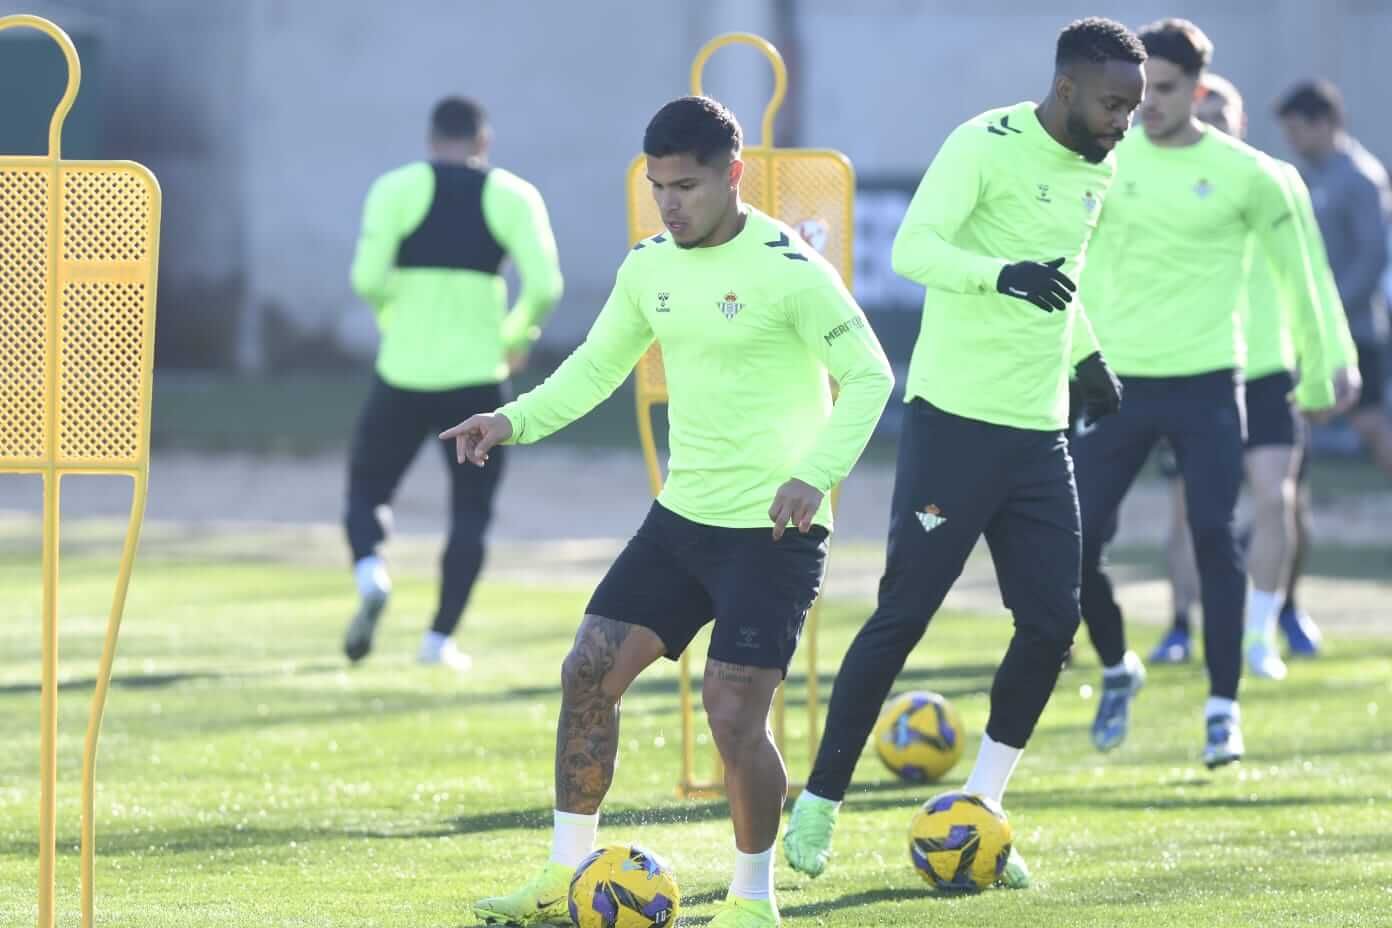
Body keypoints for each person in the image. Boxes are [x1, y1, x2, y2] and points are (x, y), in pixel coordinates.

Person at [448, 96, 893, 928]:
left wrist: (814, 475)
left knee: (731, 716)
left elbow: (871, 376)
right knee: (587, 671)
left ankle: (754, 902)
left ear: (732, 176)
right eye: (658, 187)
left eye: (685, 186)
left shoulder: (790, 269)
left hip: (774, 533)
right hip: (682, 522)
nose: (670, 203)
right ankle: (562, 872)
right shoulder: (648, 265)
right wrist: (509, 420)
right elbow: (593, 369)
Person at [781, 16, 1143, 883]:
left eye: (1131, 106)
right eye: (1111, 103)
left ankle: (983, 806)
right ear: (1065, 89)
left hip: (1039, 432)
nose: (1123, 120)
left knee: (1053, 623)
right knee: (903, 618)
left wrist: (1088, 359)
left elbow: (1064, 279)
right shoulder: (982, 143)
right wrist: (998, 272)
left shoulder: (1103, 164)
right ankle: (821, 802)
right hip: (954, 425)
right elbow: (910, 251)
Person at [1074, 20, 1345, 769]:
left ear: (1197, 90)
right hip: (1115, 385)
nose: (1145, 105)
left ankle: (1223, 710)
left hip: (1206, 386)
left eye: (1162, 90)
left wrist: (1328, 368)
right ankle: (1116, 664)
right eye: (1134, 93)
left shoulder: (1253, 175)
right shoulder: (1097, 162)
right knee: (1073, 544)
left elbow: (1304, 277)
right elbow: (1056, 255)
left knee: (1215, 539)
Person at [342, 97, 563, 670]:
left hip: (402, 376)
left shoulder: (394, 188)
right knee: (470, 512)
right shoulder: (514, 195)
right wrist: (515, 336)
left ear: (429, 138)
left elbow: (366, 277)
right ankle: (438, 641)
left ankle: (370, 570)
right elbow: (545, 285)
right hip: (475, 384)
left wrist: (394, 316)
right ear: (483, 142)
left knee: (367, 488)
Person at [1148, 73, 1359, 672]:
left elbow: (1312, 278)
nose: (1209, 122)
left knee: (1276, 498)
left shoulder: (1270, 183)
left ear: (1238, 123)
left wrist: (1334, 356)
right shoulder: (1158, 183)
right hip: (1195, 367)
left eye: (1220, 114)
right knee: (1191, 508)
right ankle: (1179, 626)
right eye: (1201, 112)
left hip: (1269, 369)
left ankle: (1260, 633)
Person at [1277, 78, 1392, 649]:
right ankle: (1285, 578)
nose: (1291, 139)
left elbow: (1372, 259)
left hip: (1355, 331)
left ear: (1323, 122)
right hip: (1303, 336)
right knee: (1293, 449)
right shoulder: (1303, 176)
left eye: (1297, 127)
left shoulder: (1361, 178)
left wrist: (1326, 313)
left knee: (1374, 431)